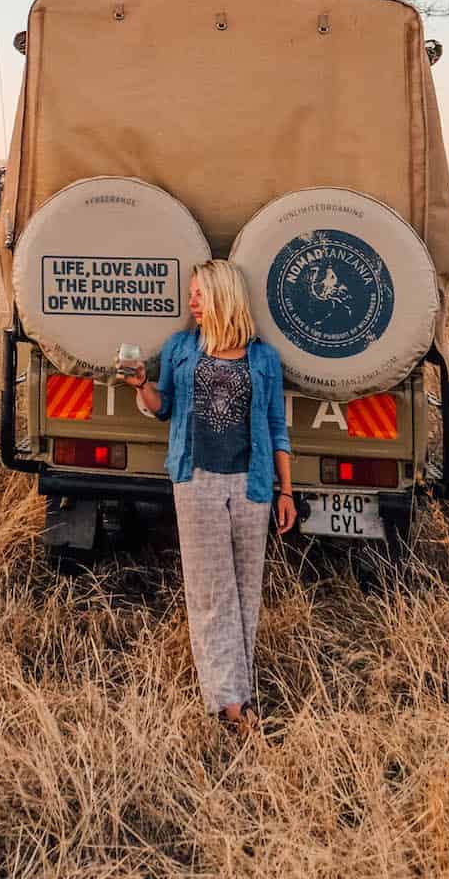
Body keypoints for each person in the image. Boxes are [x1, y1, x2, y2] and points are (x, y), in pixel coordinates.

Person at [121, 259, 295, 736]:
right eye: (191, 294)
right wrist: (142, 387)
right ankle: (232, 708)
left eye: (198, 294)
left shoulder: (264, 359)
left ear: (222, 296)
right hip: (195, 482)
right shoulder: (181, 349)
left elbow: (278, 429)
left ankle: (237, 691)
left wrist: (287, 490)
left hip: (252, 485)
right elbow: (164, 408)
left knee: (246, 594)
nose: (191, 302)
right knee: (210, 594)